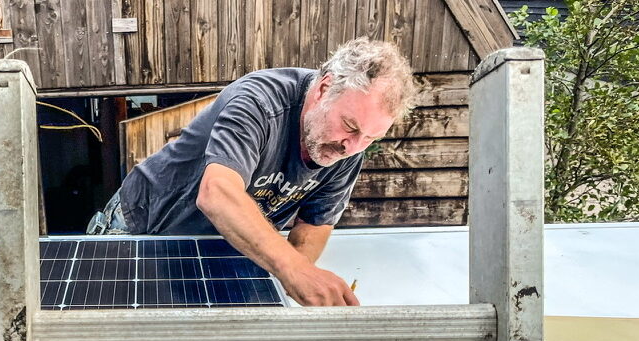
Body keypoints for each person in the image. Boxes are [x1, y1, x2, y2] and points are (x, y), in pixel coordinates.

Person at [87, 37, 417, 307]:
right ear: (323, 89)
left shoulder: (348, 148)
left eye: (371, 138)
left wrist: (294, 288)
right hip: (146, 225)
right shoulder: (259, 102)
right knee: (119, 340)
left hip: (221, 249)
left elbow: (314, 226)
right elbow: (216, 194)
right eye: (349, 126)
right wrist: (294, 269)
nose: (352, 147)